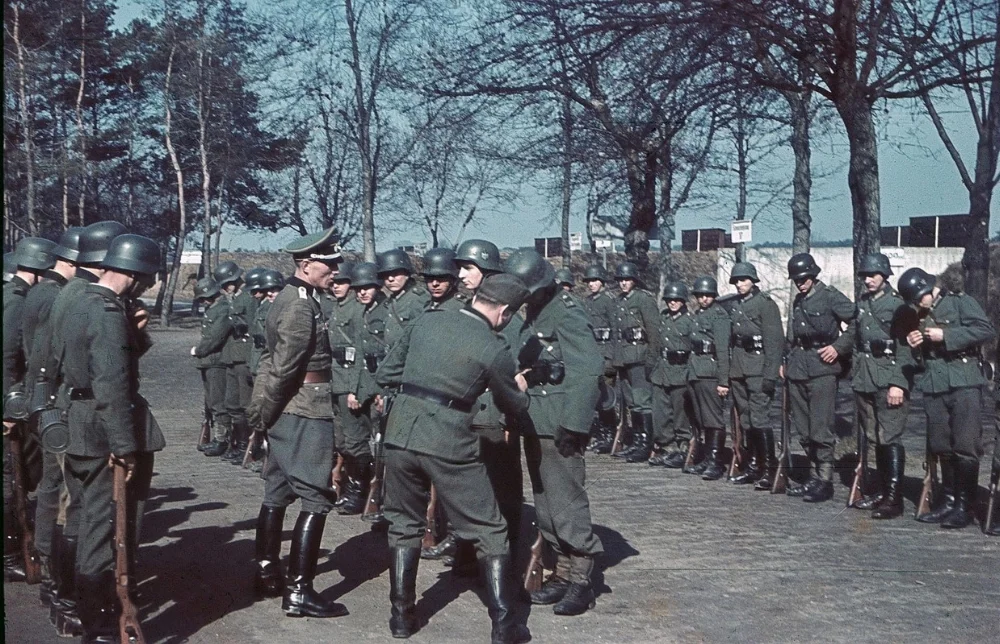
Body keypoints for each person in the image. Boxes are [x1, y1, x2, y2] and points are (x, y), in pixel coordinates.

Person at [376, 273, 532, 643]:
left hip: (400, 433)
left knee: (403, 523)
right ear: (505, 312)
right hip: (449, 441)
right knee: (489, 529)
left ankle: (401, 618)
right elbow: (512, 403)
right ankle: (505, 625)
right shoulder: (493, 347)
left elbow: (387, 373)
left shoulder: (427, 320)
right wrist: (520, 388)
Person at [60, 234, 165, 643]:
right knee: (107, 531)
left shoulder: (78, 300)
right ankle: (101, 628)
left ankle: (88, 616)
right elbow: (111, 386)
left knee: (88, 521)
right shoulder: (105, 313)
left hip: (80, 425)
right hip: (105, 434)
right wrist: (124, 447)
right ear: (137, 276)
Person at [246, 227, 349, 617]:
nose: (335, 271)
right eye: (329, 264)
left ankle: (267, 569)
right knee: (315, 496)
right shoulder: (300, 306)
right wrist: (263, 414)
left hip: (290, 408)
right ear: (306, 265)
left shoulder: (296, 297)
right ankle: (299, 591)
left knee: (277, 489)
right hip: (304, 408)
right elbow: (284, 367)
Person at [506, 249, 604, 617]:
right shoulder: (533, 312)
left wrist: (575, 424)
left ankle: (582, 580)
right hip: (537, 419)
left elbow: (588, 370)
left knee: (567, 501)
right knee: (546, 503)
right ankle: (562, 572)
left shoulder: (566, 310)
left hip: (562, 420)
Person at [46, 220, 127, 634]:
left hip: (70, 415)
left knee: (76, 514)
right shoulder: (97, 302)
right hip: (93, 422)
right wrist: (124, 442)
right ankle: (92, 620)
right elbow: (110, 375)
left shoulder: (71, 292)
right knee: (96, 521)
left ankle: (67, 599)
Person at [900, 267, 996, 529]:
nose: (919, 303)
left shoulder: (960, 302)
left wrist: (947, 336)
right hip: (935, 383)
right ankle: (949, 501)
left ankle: (965, 506)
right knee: (941, 444)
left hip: (964, 381)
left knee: (965, 444)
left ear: (929, 288)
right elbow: (917, 358)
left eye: (921, 296)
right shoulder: (918, 314)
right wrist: (915, 344)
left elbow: (985, 330)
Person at [20, 228, 82, 609]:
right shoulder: (53, 297)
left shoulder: (45, 293)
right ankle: (51, 566)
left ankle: (49, 563)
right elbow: (43, 358)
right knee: (57, 491)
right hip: (55, 403)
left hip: (48, 401)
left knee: (52, 487)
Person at [3, 237, 57, 584]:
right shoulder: (16, 302)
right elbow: (7, 359)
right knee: (10, 482)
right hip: (9, 404)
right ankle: (8, 557)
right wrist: (9, 407)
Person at [783, 253, 856, 502]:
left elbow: (857, 321)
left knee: (821, 427)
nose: (800, 283)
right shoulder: (798, 301)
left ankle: (825, 480)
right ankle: (814, 476)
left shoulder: (830, 296)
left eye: (804, 278)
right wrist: (787, 360)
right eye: (796, 280)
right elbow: (794, 336)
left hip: (823, 368)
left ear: (813, 276)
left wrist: (839, 347)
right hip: (798, 368)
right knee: (803, 428)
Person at [850, 254, 916, 519]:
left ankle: (894, 499)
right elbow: (857, 340)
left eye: (873, 275)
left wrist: (898, 383)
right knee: (874, 435)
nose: (868, 279)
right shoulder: (863, 303)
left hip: (889, 378)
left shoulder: (899, 306)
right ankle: (881, 492)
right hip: (865, 377)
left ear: (885, 276)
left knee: (889, 436)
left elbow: (906, 348)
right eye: (865, 275)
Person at [726, 262, 783, 489]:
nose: (740, 284)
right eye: (737, 281)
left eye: (743, 280)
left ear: (753, 280)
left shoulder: (765, 305)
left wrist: (770, 374)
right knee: (746, 419)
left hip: (759, 368)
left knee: (760, 418)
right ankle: (753, 466)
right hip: (739, 368)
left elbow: (775, 342)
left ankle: (769, 469)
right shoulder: (736, 305)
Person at [322, 263, 367, 513]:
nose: (336, 286)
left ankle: (359, 491)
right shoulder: (337, 308)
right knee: (342, 440)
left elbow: (361, 350)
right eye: (334, 282)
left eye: (342, 282)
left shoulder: (357, 309)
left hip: (350, 381)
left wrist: (355, 388)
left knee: (354, 440)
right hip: (336, 380)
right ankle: (350, 485)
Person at [347, 261, 390, 519]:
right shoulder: (363, 313)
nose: (362, 292)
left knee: (381, 446)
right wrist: (355, 390)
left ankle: (382, 501)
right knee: (363, 444)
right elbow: (360, 357)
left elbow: (388, 357)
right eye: (358, 289)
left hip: (380, 388)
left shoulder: (385, 312)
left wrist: (380, 391)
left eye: (367, 287)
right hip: (366, 385)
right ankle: (365, 492)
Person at [610, 262, 660, 460]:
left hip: (640, 357)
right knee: (632, 402)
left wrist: (651, 358)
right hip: (624, 358)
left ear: (634, 281)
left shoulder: (643, 300)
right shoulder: (619, 302)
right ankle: (637, 441)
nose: (623, 283)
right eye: (621, 280)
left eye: (627, 279)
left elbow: (654, 331)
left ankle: (646, 444)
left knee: (642, 402)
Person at [686, 276, 732, 480]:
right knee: (702, 418)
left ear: (714, 296)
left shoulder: (719, 316)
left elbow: (722, 350)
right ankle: (706, 457)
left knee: (713, 419)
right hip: (696, 370)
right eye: (700, 295)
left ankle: (716, 461)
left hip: (710, 372)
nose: (703, 298)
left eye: (707, 295)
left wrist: (723, 381)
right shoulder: (698, 314)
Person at [647, 282, 696, 467]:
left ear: (683, 301)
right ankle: (667, 447)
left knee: (680, 414)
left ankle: (683, 448)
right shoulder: (664, 318)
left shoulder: (690, 321)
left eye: (676, 300)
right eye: (669, 300)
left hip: (681, 370)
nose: (673, 303)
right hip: (662, 371)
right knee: (660, 413)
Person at [215, 260, 255, 464]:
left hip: (243, 356)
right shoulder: (230, 299)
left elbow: (254, 324)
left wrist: (239, 323)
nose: (225, 288)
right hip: (231, 356)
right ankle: (238, 443)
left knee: (245, 404)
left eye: (227, 283)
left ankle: (247, 447)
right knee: (231, 403)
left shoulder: (248, 298)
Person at [191, 278, 232, 458]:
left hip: (216, 361)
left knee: (218, 402)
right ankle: (218, 437)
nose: (204, 301)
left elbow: (215, 338)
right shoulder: (213, 309)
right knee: (211, 401)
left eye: (205, 297)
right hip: (209, 361)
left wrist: (198, 351)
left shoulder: (222, 310)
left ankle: (223, 439)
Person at [580, 265, 617, 453]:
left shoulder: (608, 302)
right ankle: (600, 433)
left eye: (595, 281)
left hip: (606, 352)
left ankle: (609, 434)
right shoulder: (585, 302)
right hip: (592, 353)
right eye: (589, 281)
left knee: (607, 397)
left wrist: (613, 355)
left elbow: (616, 329)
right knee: (593, 397)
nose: (592, 284)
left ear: (602, 283)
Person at [377, 248, 429, 347]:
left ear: (407, 274)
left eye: (395, 274)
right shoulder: (391, 300)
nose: (390, 279)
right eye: (386, 275)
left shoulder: (418, 298)